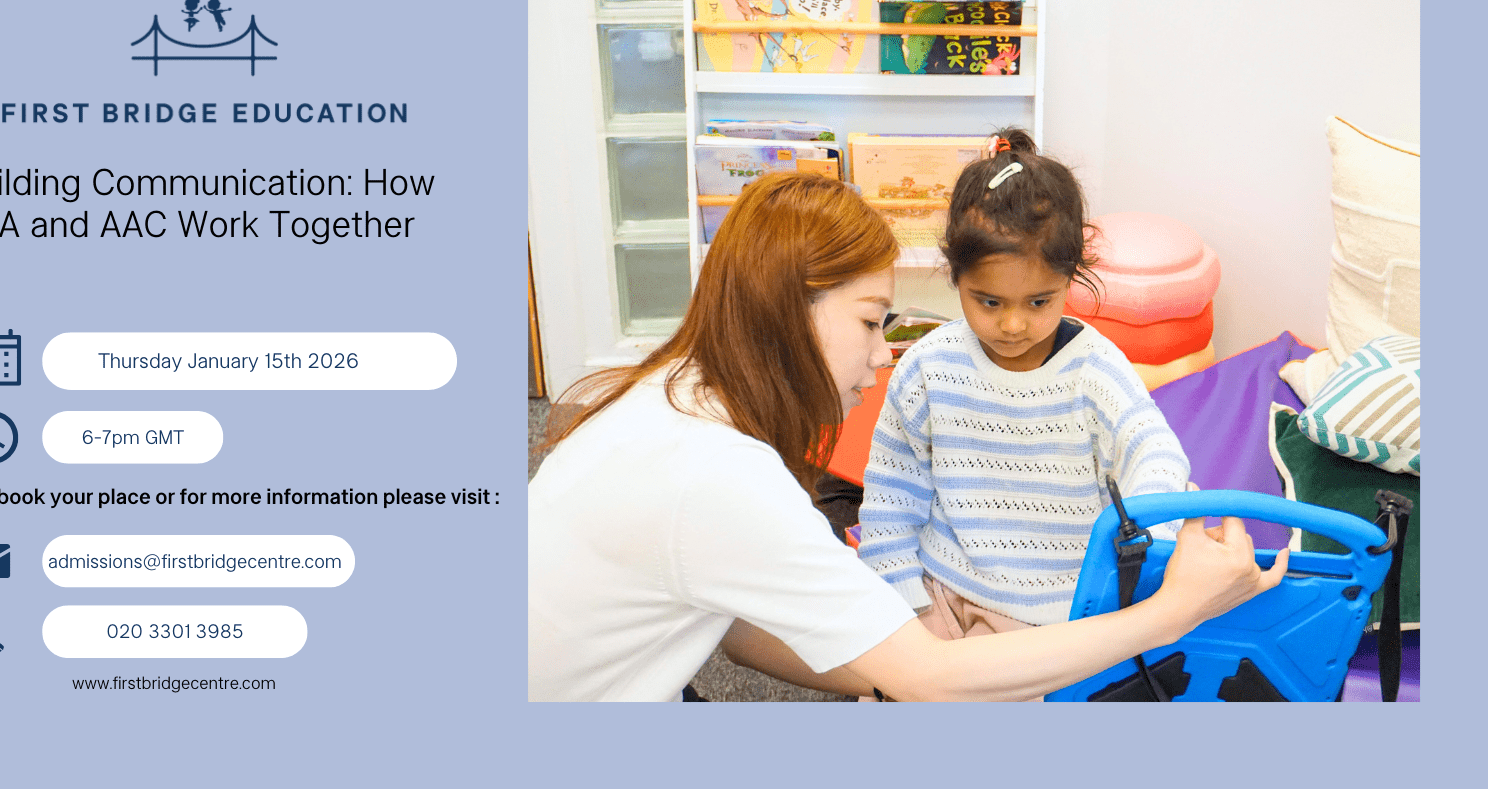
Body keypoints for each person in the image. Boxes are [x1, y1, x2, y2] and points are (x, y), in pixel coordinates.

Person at [528, 169, 1285, 702]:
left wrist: (899, 667)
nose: (883, 352)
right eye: (868, 320)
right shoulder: (718, 473)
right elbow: (925, 661)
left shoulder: (676, 393)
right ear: (787, 307)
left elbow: (736, 629)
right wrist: (1178, 609)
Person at [858, 128, 1192, 662]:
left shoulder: (1094, 369)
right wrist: (901, 602)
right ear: (955, 276)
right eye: (988, 301)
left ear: (1070, 280)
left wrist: (1147, 541)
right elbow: (892, 497)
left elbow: (1154, 451)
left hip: (1056, 613)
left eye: (1039, 302)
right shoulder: (926, 366)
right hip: (940, 595)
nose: (1013, 324)